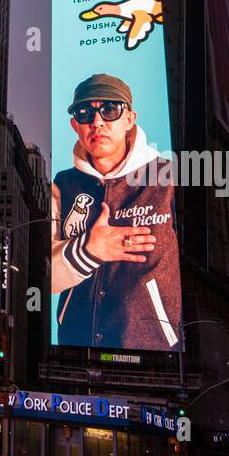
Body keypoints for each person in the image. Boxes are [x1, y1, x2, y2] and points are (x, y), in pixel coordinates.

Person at [52, 74, 181, 351]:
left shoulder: (169, 177)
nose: (97, 121)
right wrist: (88, 251)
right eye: (85, 113)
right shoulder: (62, 185)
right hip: (76, 351)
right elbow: (43, 276)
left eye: (110, 109)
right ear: (75, 125)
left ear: (129, 119)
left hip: (155, 352)